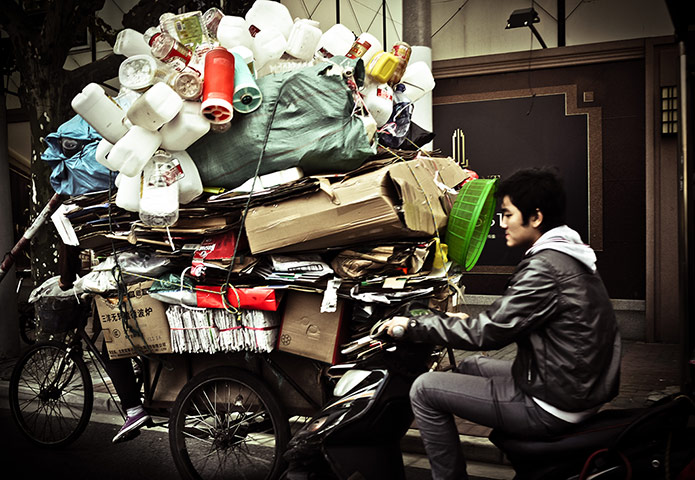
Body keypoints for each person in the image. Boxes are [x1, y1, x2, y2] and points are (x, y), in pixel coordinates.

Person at [380, 167, 621, 479]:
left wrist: (415, 326)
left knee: (425, 388)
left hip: (553, 402)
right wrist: (446, 321)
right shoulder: (569, 254)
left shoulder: (545, 267)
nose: (502, 223)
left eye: (507, 214)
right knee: (471, 366)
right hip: (570, 384)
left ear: (535, 217)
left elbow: (489, 333)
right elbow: (505, 319)